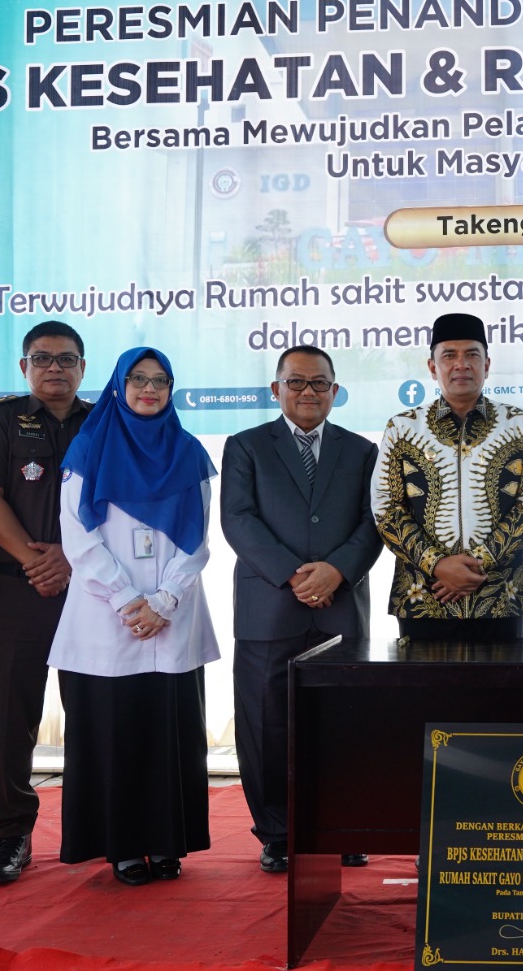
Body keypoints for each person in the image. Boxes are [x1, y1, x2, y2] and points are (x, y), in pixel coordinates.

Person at [47, 347, 220, 886]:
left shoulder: (188, 453)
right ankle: (121, 847)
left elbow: (197, 540)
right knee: (114, 734)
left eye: (161, 381)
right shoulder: (89, 448)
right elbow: (79, 536)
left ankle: (169, 843)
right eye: (139, 379)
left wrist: (164, 600)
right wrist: (127, 599)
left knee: (170, 736)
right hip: (106, 619)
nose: (150, 389)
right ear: (119, 386)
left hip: (173, 617)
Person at [222, 346, 381, 874]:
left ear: (335, 391)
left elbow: (373, 524)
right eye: (296, 383)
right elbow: (238, 520)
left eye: (319, 383)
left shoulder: (362, 451)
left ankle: (345, 826)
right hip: (270, 606)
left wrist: (336, 571)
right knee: (266, 724)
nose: (308, 392)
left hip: (340, 607)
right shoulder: (244, 447)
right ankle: (277, 832)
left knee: (345, 725)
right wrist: (294, 574)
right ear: (276, 389)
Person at [0, 320, 91, 884]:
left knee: (94, 714)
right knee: (11, 717)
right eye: (42, 359)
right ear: (24, 367)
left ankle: (97, 832)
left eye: (66, 360)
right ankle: (13, 834)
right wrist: (34, 560)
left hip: (91, 588)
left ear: (82, 368)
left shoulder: (104, 422)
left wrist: (70, 558)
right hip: (15, 589)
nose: (54, 369)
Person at [371, 313, 523, 642]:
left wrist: (476, 565)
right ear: (433, 367)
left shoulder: (518, 425)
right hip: (424, 595)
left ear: (487, 364)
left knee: (505, 692)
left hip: (500, 596)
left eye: (472, 355)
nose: (461, 364)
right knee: (427, 694)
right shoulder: (403, 427)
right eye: (449, 355)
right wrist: (437, 565)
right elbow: (386, 508)